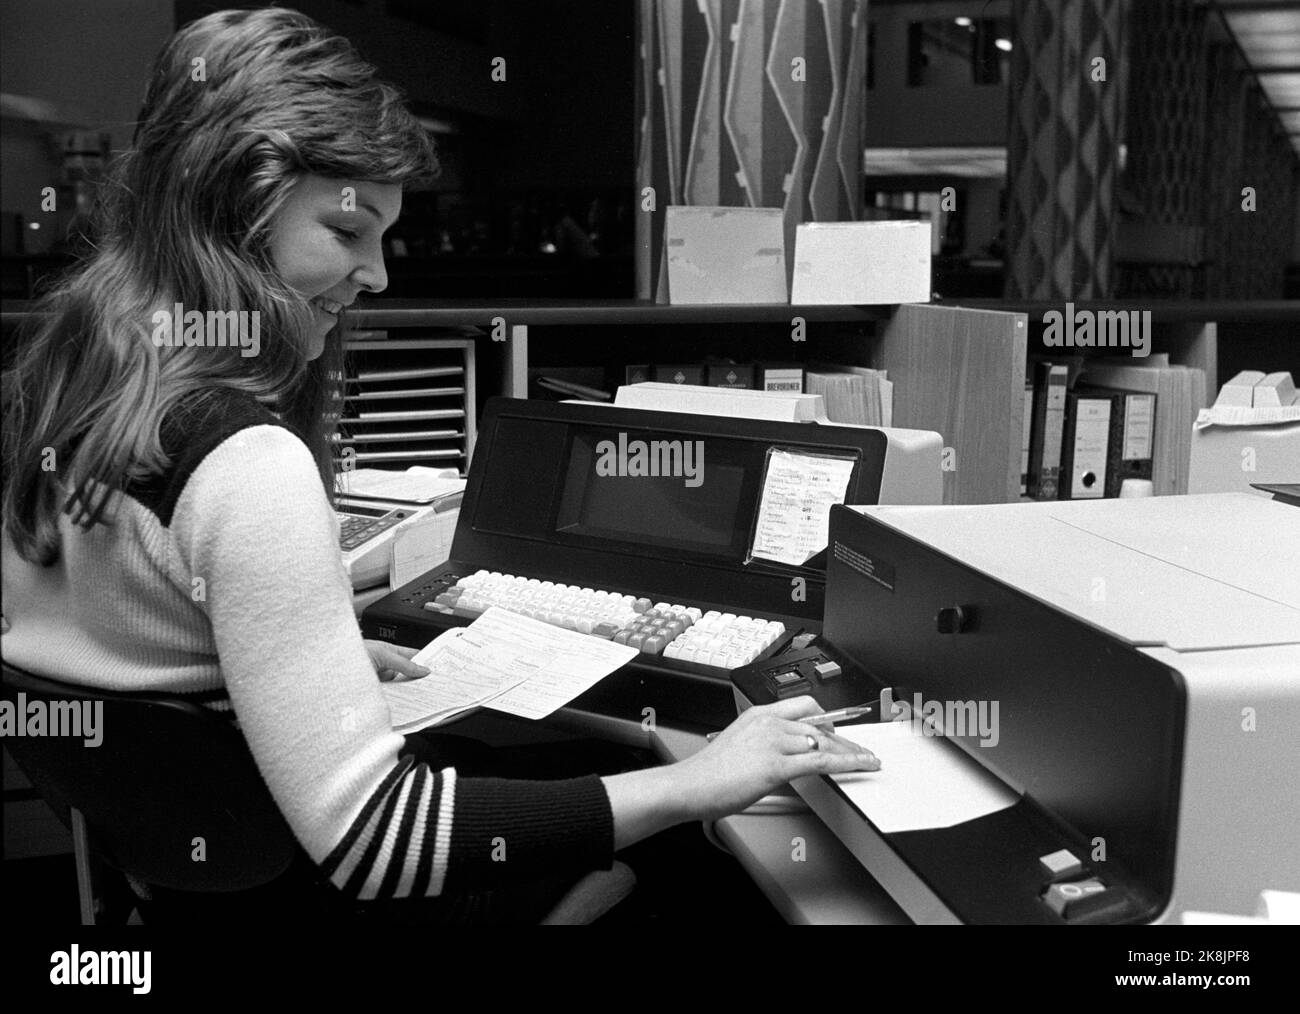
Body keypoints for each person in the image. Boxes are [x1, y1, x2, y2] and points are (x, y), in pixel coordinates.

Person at [0, 7, 879, 924]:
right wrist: (700, 782)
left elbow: (121, 659)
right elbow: (381, 843)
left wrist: (307, 670)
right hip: (308, 891)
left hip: (208, 881)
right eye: (347, 234)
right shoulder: (242, 463)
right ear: (232, 208)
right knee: (706, 853)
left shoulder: (70, 392)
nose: (377, 275)